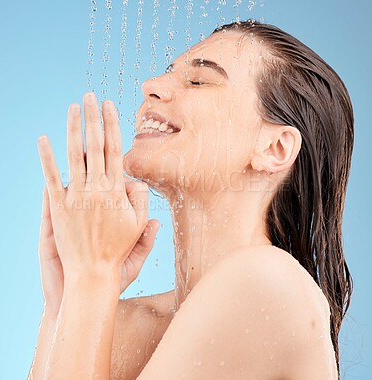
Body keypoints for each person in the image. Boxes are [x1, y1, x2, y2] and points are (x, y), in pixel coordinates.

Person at [28, 20, 353, 380]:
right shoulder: (122, 320)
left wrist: (90, 277)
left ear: (274, 148)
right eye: (168, 72)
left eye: (198, 81)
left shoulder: (271, 285)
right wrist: (64, 303)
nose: (150, 85)